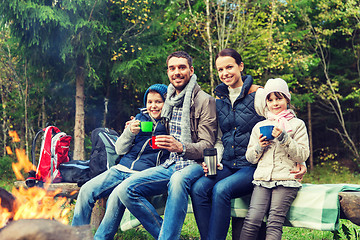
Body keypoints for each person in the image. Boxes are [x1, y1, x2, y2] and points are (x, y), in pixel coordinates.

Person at [190, 48, 307, 240]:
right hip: (228, 164)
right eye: (220, 70)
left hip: (252, 165)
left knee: (221, 190)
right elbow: (220, 138)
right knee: (199, 189)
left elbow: (284, 121)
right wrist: (216, 160)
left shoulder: (259, 95)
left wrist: (301, 163)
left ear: (240, 66)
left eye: (229, 67)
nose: (225, 73)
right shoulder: (220, 100)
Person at [116, 51, 218, 240]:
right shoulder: (168, 100)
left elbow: (207, 145)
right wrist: (131, 128)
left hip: (194, 165)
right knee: (125, 189)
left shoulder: (205, 101)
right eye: (172, 68)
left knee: (178, 180)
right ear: (168, 72)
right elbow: (153, 120)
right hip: (169, 164)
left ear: (191, 70)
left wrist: (181, 147)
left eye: (181, 67)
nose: (176, 72)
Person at [71, 83, 169, 240]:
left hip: (143, 174)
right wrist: (129, 132)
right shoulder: (139, 119)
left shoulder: (170, 123)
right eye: (150, 102)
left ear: (166, 102)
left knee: (115, 197)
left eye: (158, 102)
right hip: (120, 169)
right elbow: (119, 150)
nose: (153, 106)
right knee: (86, 191)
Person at [240, 78, 310, 239]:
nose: (275, 103)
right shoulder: (259, 126)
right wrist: (260, 146)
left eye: (279, 98)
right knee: (252, 220)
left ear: (287, 98)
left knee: (274, 221)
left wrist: (284, 138)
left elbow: (303, 155)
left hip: (286, 179)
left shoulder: (297, 125)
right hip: (262, 180)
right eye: (270, 100)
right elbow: (250, 158)